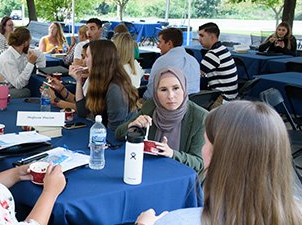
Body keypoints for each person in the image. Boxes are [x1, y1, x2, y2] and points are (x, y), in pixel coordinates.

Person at [135, 101, 302, 225]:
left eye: (206, 142)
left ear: (221, 155)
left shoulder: (178, 221)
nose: (202, 149)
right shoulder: (296, 212)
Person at [115, 66, 207, 173]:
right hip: (150, 170)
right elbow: (118, 135)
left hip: (180, 177)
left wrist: (172, 154)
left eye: (176, 88)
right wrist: (132, 126)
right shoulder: (152, 106)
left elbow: (199, 163)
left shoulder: (200, 117)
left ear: (184, 89)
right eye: (163, 90)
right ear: (156, 93)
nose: (170, 96)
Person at [71, 40, 138, 131]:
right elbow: (82, 111)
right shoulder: (98, 80)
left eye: (87, 56)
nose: (84, 61)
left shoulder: (115, 88)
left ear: (98, 59)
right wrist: (78, 81)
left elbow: (115, 130)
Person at [142, 28, 200, 101]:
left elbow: (152, 90)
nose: (158, 46)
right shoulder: (193, 60)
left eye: (160, 42)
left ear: (169, 43)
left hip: (171, 105)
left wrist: (143, 99)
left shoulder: (162, 60)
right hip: (193, 104)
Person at [0, 27, 46, 99]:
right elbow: (18, 85)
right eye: (29, 41)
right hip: (4, 90)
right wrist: (30, 63)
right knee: (27, 92)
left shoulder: (23, 52)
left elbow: (41, 55)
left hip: (15, 85)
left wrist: (40, 72)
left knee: (36, 86)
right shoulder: (8, 58)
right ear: (25, 43)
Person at [198, 22, 238, 101]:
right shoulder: (223, 49)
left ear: (212, 37)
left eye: (202, 36)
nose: (199, 40)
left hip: (222, 99)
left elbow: (195, 76)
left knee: (188, 97)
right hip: (231, 97)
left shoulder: (213, 54)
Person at [44, 43, 90, 111]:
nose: (81, 61)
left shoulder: (99, 82)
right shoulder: (90, 79)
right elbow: (79, 102)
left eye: (84, 57)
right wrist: (61, 89)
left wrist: (55, 100)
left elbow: (83, 110)